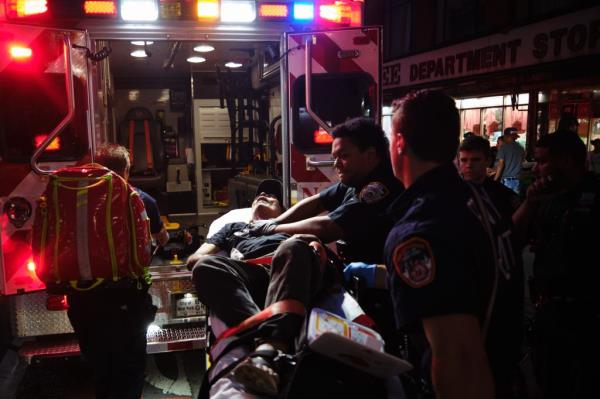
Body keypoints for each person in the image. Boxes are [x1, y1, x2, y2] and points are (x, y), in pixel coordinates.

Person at [385, 90, 523, 399]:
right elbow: (466, 275)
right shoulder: (478, 198)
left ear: (399, 144)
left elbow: (460, 362)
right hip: (503, 370)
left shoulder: (420, 230)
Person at [187, 180, 329, 396]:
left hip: (286, 272)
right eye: (259, 194)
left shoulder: (289, 227)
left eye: (272, 196)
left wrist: (305, 240)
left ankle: (269, 347)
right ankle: (266, 339)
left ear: (283, 211)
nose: (263, 194)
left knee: (292, 246)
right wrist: (231, 259)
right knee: (205, 266)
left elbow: (320, 232)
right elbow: (194, 259)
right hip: (248, 277)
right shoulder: (234, 228)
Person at [66, 144, 167, 399]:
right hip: (125, 299)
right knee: (130, 369)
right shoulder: (141, 198)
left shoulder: (70, 196)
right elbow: (160, 237)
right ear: (125, 171)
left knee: (101, 368)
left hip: (80, 296)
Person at [512, 132, 600, 399]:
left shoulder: (595, 194)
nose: (535, 168)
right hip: (549, 312)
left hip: (588, 316)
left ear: (563, 162)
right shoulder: (544, 198)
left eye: (541, 161)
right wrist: (529, 202)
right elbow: (510, 240)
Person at [249, 117, 403, 265]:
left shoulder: (380, 187)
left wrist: (272, 229)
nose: (336, 164)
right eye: (335, 157)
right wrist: (275, 222)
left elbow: (328, 227)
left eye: (343, 156)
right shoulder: (356, 179)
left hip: (376, 282)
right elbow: (317, 202)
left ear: (370, 155)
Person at [494, 127, 525, 194]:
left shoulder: (503, 148)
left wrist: (495, 180)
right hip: (518, 180)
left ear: (506, 136)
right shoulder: (521, 148)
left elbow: (500, 165)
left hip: (507, 180)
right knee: (515, 202)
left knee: (506, 202)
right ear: (516, 137)